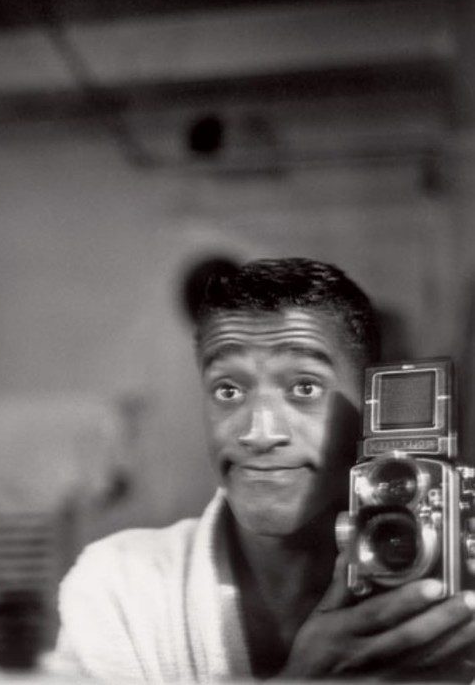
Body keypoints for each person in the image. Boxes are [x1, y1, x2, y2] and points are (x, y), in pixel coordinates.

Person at [50, 258, 475, 682]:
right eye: (228, 390)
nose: (258, 433)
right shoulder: (124, 585)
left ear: (377, 408)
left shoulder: (456, 576)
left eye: (304, 387)